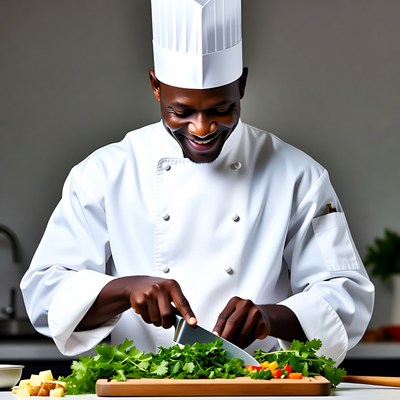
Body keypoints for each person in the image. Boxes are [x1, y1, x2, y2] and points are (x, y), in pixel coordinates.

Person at [20, 0, 374, 365]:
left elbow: (347, 298)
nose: (202, 129)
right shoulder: (104, 173)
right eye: (182, 111)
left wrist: (270, 318)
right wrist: (125, 290)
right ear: (156, 87)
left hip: (255, 389)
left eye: (221, 109)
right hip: (141, 388)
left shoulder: (299, 176)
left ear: (242, 85)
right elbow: (45, 295)